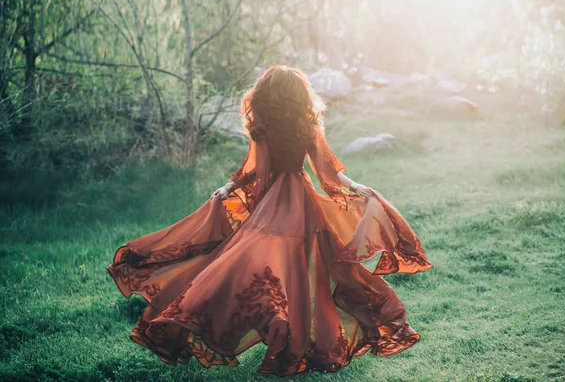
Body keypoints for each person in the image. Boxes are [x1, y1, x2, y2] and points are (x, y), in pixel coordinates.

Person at [107, 65, 433, 376]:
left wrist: (231, 189)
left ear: (267, 96)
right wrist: (358, 189)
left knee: (246, 264)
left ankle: (266, 322)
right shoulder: (308, 125)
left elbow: (255, 172)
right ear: (300, 97)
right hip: (301, 203)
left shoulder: (262, 126)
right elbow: (327, 174)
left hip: (272, 205)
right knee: (311, 272)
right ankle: (298, 340)